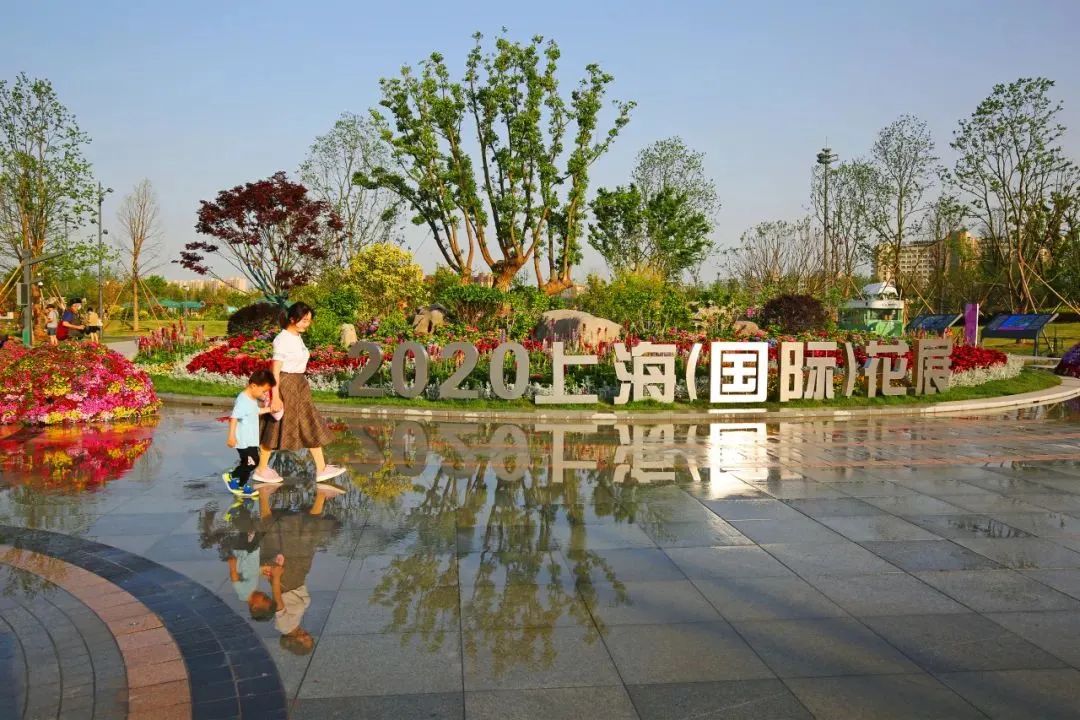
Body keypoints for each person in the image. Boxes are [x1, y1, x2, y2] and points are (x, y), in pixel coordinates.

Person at [247, 483, 344, 655]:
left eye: (304, 641)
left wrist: (277, 576)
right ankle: (321, 495)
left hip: (288, 578)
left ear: (294, 643)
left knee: (274, 533)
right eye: (309, 639)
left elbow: (278, 602)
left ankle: (263, 493)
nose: (307, 637)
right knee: (308, 535)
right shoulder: (295, 623)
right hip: (298, 575)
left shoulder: (285, 627)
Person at [255, 302, 345, 484]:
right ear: (292, 319)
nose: (307, 324)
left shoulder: (296, 337)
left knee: (309, 423)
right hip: (285, 384)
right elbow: (275, 371)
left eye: (309, 320)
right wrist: (276, 396)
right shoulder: (283, 339)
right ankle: (262, 469)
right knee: (275, 425)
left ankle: (321, 468)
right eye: (304, 320)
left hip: (299, 385)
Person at [224, 369, 278, 497]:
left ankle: (240, 485)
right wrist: (231, 436)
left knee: (252, 462)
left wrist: (269, 409)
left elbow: (255, 412)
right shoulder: (242, 400)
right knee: (251, 462)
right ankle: (232, 476)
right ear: (254, 386)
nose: (265, 394)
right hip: (243, 441)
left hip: (251, 440)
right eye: (263, 391)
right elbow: (234, 418)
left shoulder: (252, 398)